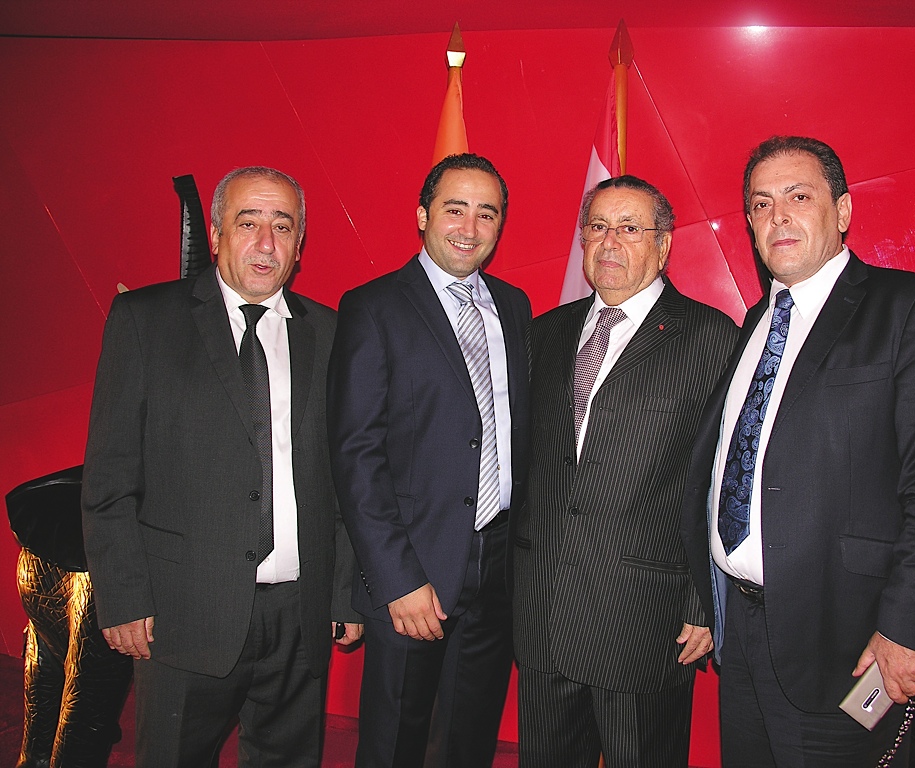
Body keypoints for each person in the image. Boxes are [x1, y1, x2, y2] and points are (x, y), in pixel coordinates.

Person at [683, 136, 915, 766]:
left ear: (842, 211)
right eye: (761, 204)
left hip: (852, 645)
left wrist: (908, 627)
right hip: (742, 634)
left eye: (798, 196)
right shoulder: (755, 323)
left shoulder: (909, 308)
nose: (778, 216)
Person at [81, 166, 362, 767]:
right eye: (248, 222)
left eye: (282, 227)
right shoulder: (144, 321)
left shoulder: (332, 333)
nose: (265, 243)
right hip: (182, 614)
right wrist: (122, 597)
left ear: (300, 244)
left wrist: (342, 594)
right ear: (215, 235)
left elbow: (344, 479)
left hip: (299, 616)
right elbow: (108, 479)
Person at [513, 175, 740, 767]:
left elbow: (722, 480)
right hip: (543, 612)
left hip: (644, 619)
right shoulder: (546, 333)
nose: (609, 242)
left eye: (630, 228)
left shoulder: (711, 337)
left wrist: (705, 602)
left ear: (663, 245)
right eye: (598, 227)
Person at [327, 153, 531, 768]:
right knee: (395, 744)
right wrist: (397, 580)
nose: (470, 227)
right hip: (413, 572)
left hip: (499, 570)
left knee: (468, 743)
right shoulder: (373, 307)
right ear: (422, 215)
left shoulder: (515, 306)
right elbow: (355, 455)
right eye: (454, 209)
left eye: (486, 213)